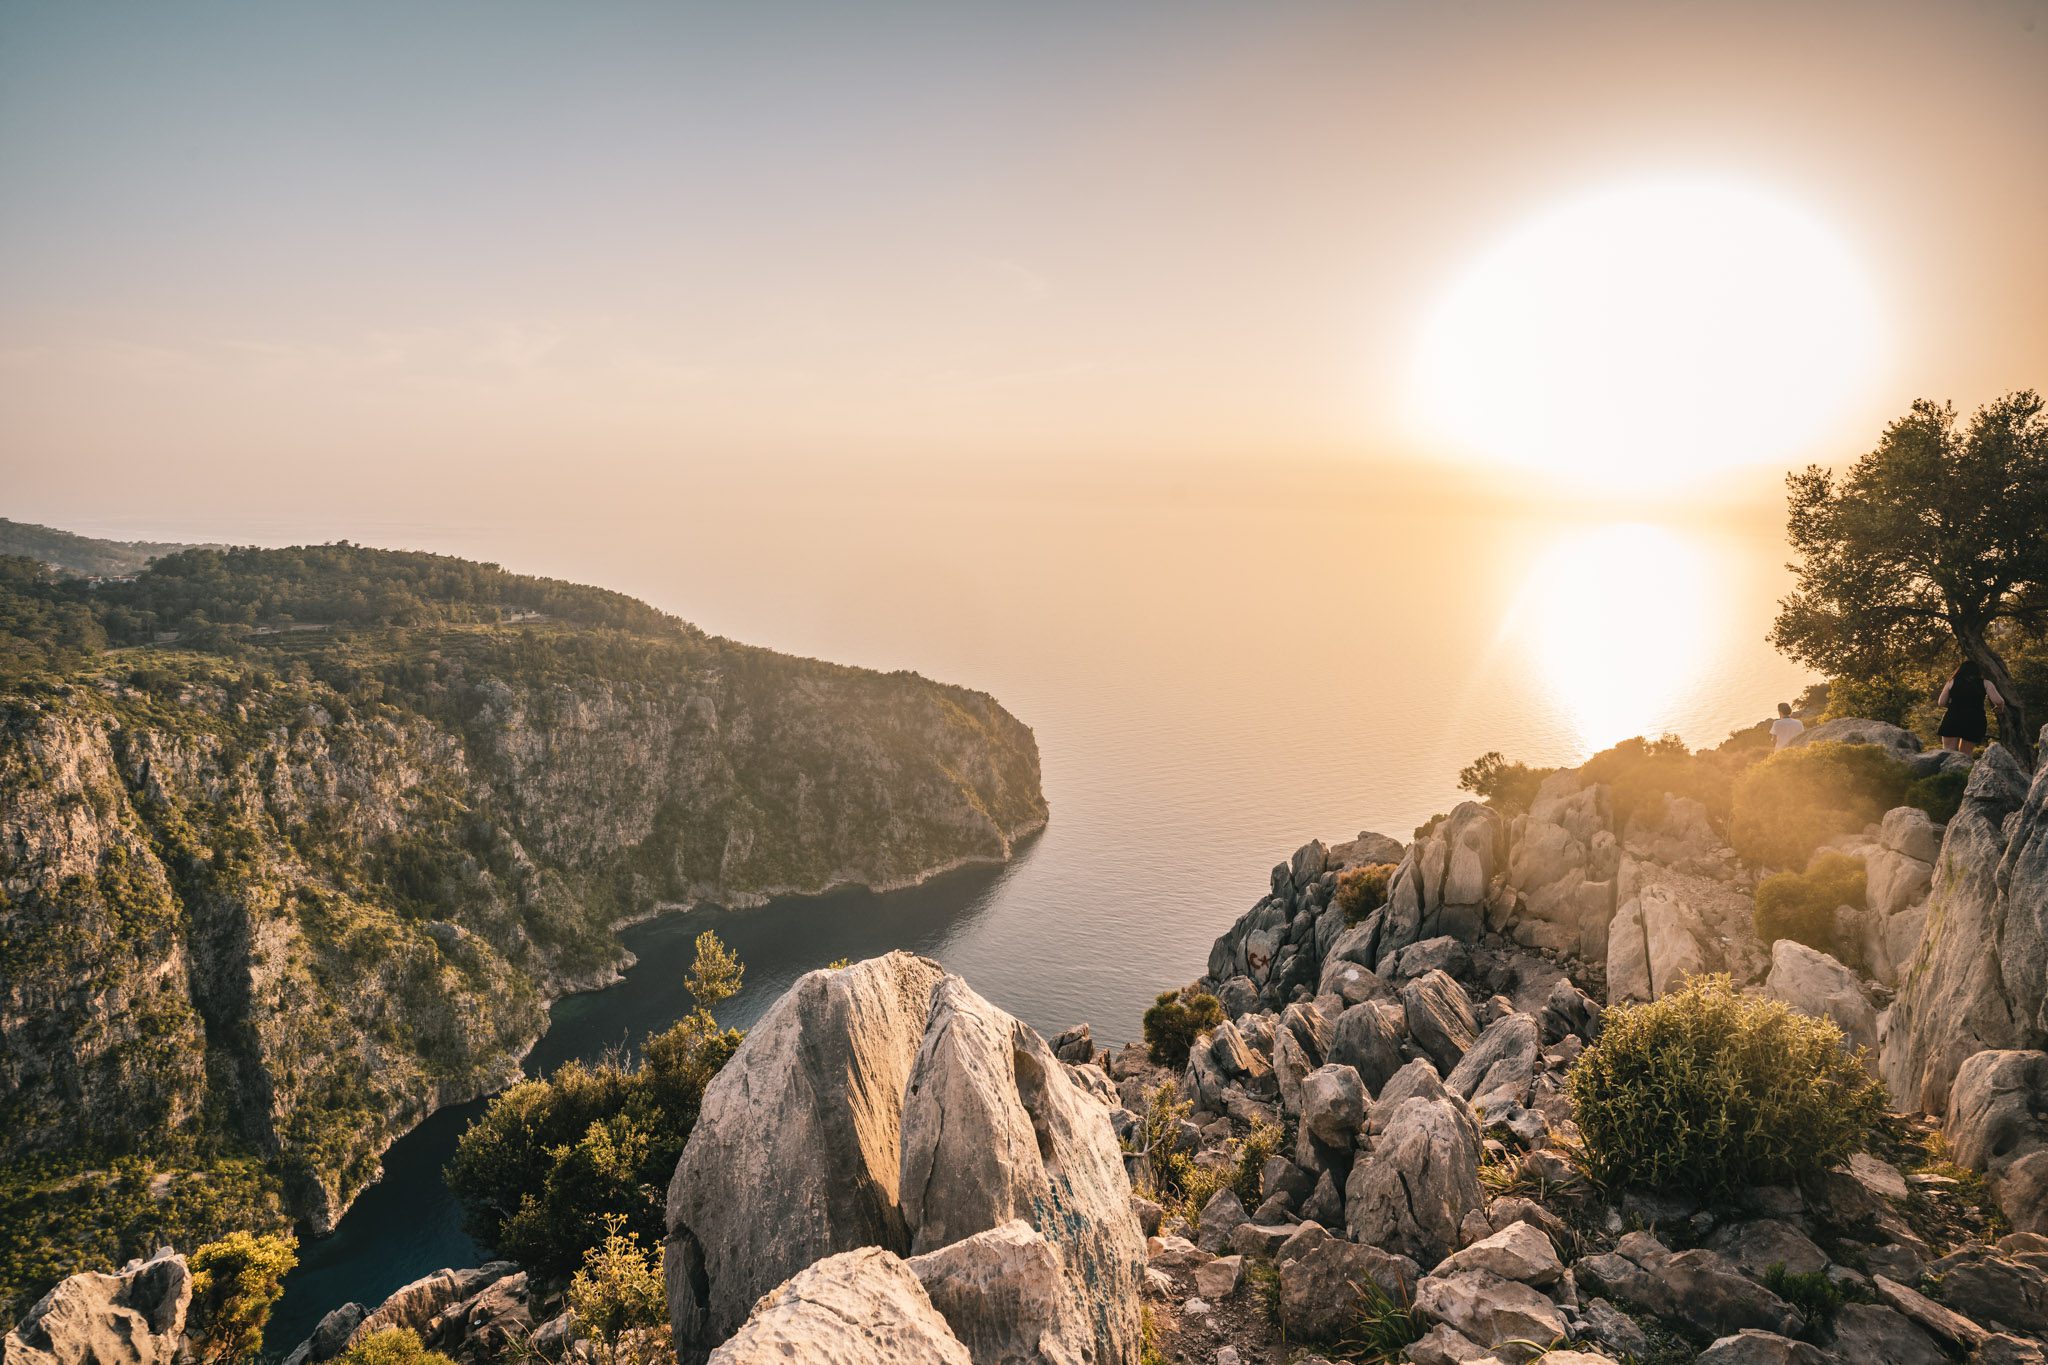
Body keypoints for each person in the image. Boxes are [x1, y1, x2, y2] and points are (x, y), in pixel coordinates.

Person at [1937, 658, 2004, 755]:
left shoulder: (1951, 682)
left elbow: (1941, 703)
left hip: (1953, 717)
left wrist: (1954, 706)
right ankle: (1964, 770)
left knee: (1948, 752)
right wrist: (1998, 709)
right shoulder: (1985, 683)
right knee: (1966, 754)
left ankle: (1949, 770)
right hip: (1975, 719)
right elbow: (1999, 701)